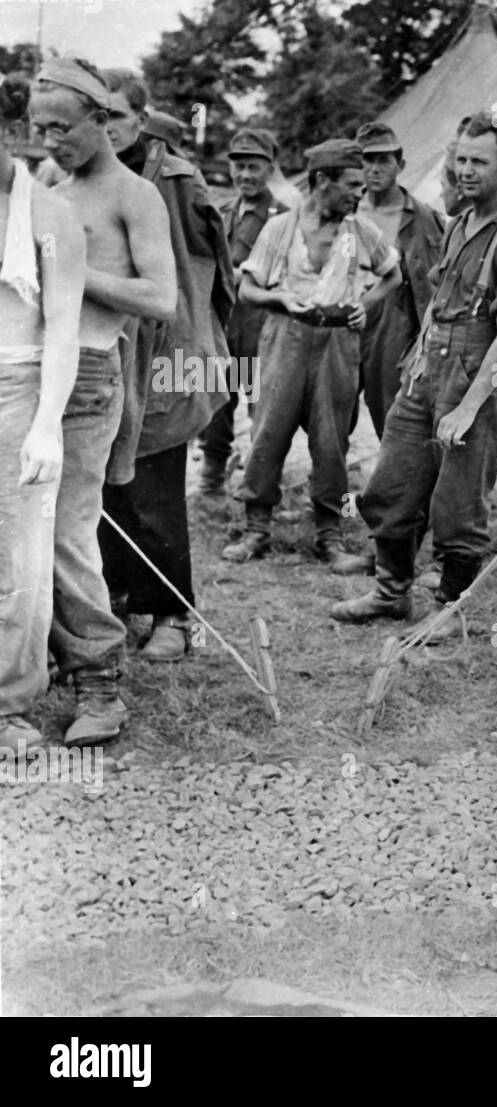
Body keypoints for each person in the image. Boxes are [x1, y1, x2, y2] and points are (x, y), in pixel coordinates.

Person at [331, 110, 497, 628]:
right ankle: (391, 592)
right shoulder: (458, 225)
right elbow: (437, 301)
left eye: (481, 162)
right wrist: (417, 358)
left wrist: (467, 411)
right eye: (462, 160)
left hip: (479, 382)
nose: (467, 171)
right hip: (429, 374)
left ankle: (451, 610)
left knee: (457, 507)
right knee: (391, 487)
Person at [28, 57, 177, 743]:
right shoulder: (51, 182)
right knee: (25, 528)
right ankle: (42, 665)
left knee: (68, 530)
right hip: (35, 371)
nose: (51, 141)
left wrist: (76, 274)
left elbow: (160, 297)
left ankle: (100, 682)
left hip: (91, 373)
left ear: (100, 120)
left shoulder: (133, 194)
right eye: (38, 128)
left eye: (62, 127)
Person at [96, 68, 235, 663]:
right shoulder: (82, 177)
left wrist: (199, 345)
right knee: (105, 489)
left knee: (155, 486)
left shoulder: (175, 179)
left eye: (119, 118)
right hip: (105, 350)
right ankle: (119, 597)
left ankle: (175, 614)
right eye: (98, 118)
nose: (108, 130)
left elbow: (214, 269)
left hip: (166, 353)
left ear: (142, 118)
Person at [221, 138, 399, 573]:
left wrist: (366, 305)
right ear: (322, 181)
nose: (360, 193)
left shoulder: (360, 232)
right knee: (267, 432)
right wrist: (281, 300)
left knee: (331, 441)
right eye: (351, 184)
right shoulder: (280, 229)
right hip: (285, 336)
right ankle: (256, 529)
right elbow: (247, 288)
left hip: (337, 343)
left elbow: (393, 275)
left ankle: (330, 536)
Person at [0, 73, 85, 752]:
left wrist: (48, 420)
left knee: (22, 558)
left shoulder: (49, 214)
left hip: (20, 386)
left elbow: (61, 327)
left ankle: (8, 702)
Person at [198, 128, 288, 495]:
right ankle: (211, 479)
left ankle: (259, 485)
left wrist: (236, 276)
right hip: (221, 324)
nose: (245, 175)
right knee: (215, 401)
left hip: (260, 324)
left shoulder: (282, 216)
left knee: (262, 408)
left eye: (254, 167)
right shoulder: (221, 211)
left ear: (270, 168)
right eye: (239, 167)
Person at [354, 121, 445, 439]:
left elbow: (432, 292)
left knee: (390, 415)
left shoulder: (421, 218)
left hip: (393, 324)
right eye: (367, 160)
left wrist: (423, 346)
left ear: (400, 165)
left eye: (384, 160)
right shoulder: (344, 210)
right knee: (332, 414)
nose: (374, 169)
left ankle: (394, 487)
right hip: (344, 320)